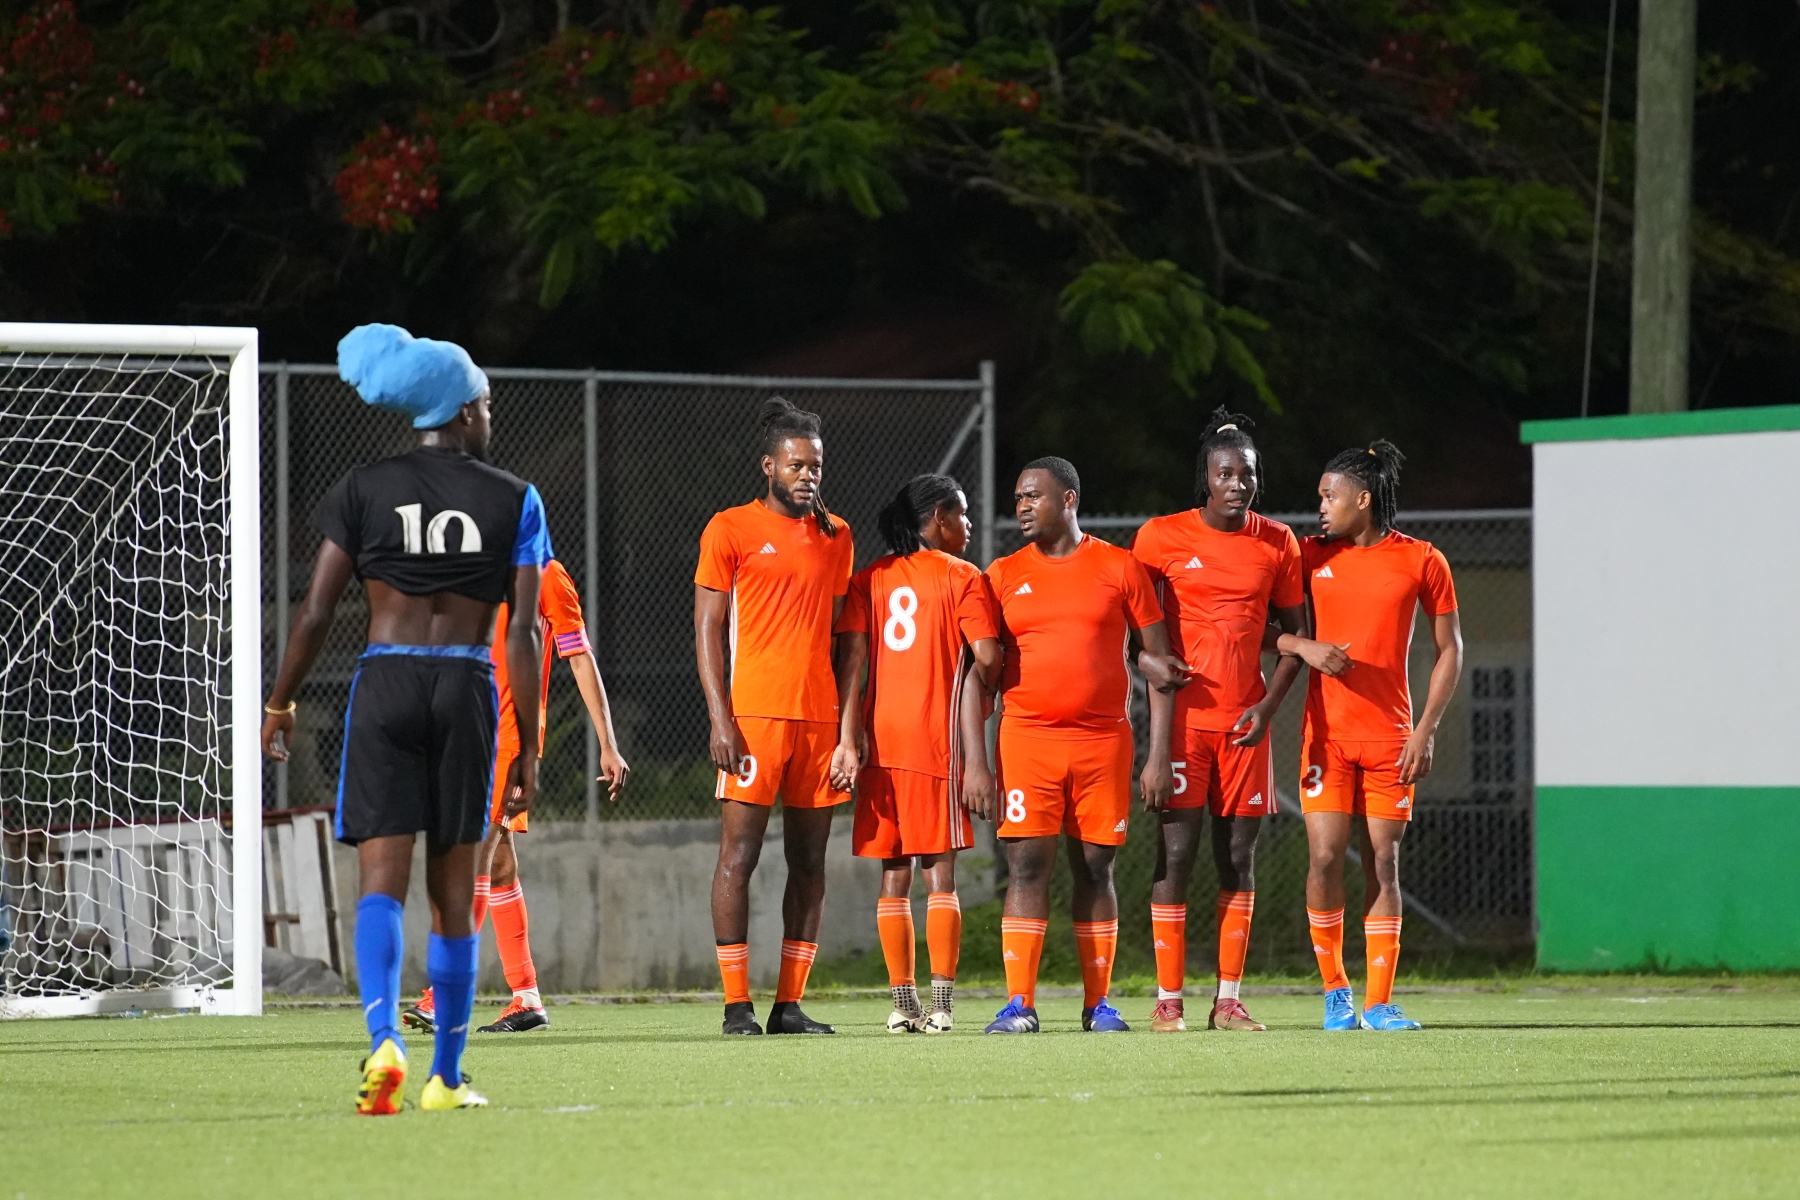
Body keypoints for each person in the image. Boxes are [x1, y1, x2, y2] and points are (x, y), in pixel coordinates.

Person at [262, 323, 552, 1114]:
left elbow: (316, 610)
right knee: (454, 894)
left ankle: (384, 1037)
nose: (490, 416)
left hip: (385, 683)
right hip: (466, 685)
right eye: (485, 404)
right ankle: (445, 1077)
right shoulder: (516, 498)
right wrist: (529, 747)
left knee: (379, 884)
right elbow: (524, 633)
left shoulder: (363, 488)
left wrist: (280, 701)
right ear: (460, 411)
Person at [963, 457, 1184, 1034]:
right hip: (1027, 741)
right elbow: (976, 677)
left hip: (1102, 742)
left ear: (1068, 499)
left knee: (1096, 868)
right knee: (1026, 867)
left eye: (1033, 496)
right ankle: (1020, 1004)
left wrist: (1159, 755)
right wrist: (976, 764)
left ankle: (1098, 1004)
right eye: (1017, 498)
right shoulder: (1001, 575)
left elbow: (1160, 666)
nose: (1022, 507)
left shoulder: (1120, 567)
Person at [1130, 409, 1310, 1034]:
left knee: (1238, 856)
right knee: (1175, 858)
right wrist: (1147, 670)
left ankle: (1228, 1000)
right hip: (1183, 727)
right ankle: (1168, 1001)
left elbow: (1296, 639)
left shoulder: (1279, 542)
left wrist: (1267, 708)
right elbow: (1133, 634)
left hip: (1244, 727)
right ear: (1204, 478)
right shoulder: (1159, 538)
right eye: (1225, 473)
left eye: (1247, 473)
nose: (1238, 484)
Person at [402, 557, 629, 1035]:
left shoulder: (546, 574)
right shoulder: (472, 565)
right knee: (499, 862)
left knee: (473, 855)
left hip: (510, 738)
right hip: (463, 730)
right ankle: (526, 997)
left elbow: (579, 655)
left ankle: (445, 993)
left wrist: (607, 742)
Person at [695, 398, 855, 1036]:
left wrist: (847, 732)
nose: (808, 475)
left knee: (810, 863)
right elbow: (707, 630)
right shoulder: (729, 528)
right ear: (769, 466)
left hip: (818, 721)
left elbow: (844, 639)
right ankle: (737, 1005)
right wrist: (721, 718)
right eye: (796, 465)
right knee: (739, 856)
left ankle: (789, 1005)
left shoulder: (837, 536)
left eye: (815, 466)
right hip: (754, 719)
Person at [1292, 441, 1462, 1031]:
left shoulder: (1422, 559)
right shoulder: (1308, 555)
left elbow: (1450, 649)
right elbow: (1260, 627)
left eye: (1329, 496)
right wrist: (1303, 645)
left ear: (1362, 499)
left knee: (1383, 862)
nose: (1320, 506)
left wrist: (1426, 730)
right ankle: (1336, 991)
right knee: (1323, 857)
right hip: (1327, 739)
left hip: (1391, 738)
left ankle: (1379, 1002)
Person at [829, 475, 1002, 1034]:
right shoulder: (963, 576)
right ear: (938, 518)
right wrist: (988, 683)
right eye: (963, 514)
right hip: (934, 740)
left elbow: (851, 664)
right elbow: (986, 655)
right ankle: (943, 1005)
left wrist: (847, 740)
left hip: (880, 743)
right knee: (940, 876)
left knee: (894, 875)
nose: (968, 525)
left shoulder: (869, 579)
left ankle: (903, 1004)